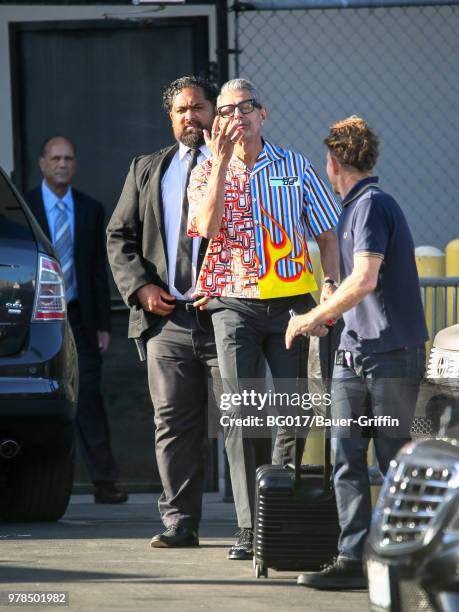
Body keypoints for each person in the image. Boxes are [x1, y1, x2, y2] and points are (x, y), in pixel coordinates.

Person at [187, 78, 341, 560]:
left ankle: (282, 512)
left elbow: (327, 232)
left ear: (263, 114)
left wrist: (331, 285)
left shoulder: (294, 166)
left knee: (292, 412)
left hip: (293, 303)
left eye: (246, 108)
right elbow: (206, 228)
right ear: (219, 121)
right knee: (240, 413)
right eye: (228, 110)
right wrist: (220, 166)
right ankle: (249, 528)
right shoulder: (204, 170)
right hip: (233, 304)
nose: (238, 117)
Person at [285, 115, 428, 590]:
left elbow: (365, 279)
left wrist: (312, 315)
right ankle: (352, 559)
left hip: (390, 355)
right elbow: (352, 283)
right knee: (347, 456)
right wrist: (329, 294)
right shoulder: (351, 209)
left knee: (393, 462)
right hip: (353, 353)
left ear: (332, 163)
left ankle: (403, 561)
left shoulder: (370, 206)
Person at [106, 76, 219, 548]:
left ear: (213, 111)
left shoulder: (235, 166)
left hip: (225, 314)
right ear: (169, 118)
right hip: (167, 319)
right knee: (172, 423)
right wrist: (143, 288)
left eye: (197, 107)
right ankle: (180, 523)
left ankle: (257, 526)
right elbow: (119, 236)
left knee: (240, 417)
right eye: (180, 110)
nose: (189, 116)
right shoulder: (148, 168)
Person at [26, 136, 128, 504]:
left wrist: (103, 325)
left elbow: (98, 271)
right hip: (37, 319)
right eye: (55, 158)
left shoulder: (89, 209)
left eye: (69, 158)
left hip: (80, 316)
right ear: (42, 164)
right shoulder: (26, 206)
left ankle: (105, 481)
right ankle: (40, 482)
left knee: (88, 396)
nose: (62, 164)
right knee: (40, 396)